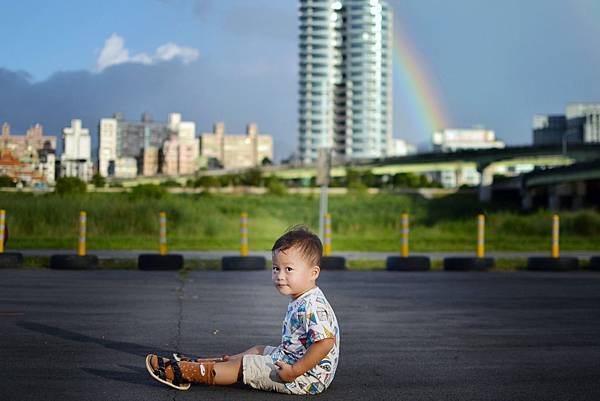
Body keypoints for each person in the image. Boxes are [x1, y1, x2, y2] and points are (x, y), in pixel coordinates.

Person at [146, 226, 340, 395]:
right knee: (258, 350)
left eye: (288, 269)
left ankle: (189, 373)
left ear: (313, 273)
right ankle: (212, 364)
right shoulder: (304, 297)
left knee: (245, 366)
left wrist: (295, 371)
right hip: (295, 361)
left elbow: (325, 343)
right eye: (275, 268)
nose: (279, 276)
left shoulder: (312, 305)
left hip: (306, 378)